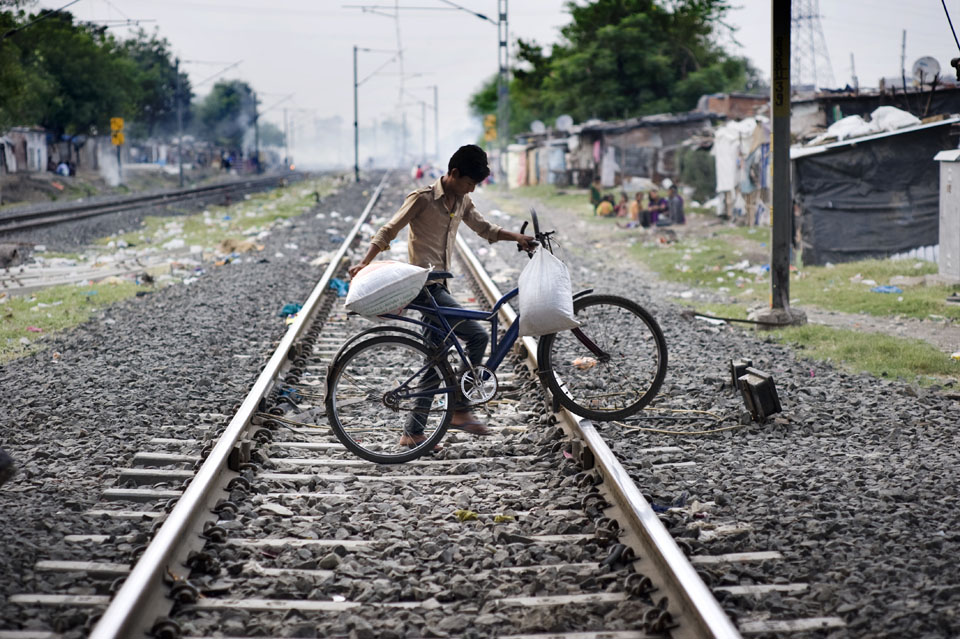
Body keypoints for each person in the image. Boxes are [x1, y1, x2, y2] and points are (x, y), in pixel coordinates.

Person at [349, 144, 535, 448]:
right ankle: (460, 408)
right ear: (454, 173)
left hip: (439, 288)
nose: (471, 189)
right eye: (469, 182)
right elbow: (389, 229)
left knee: (437, 358)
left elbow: (484, 228)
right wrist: (364, 263)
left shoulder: (461, 201)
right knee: (477, 337)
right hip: (423, 286)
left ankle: (412, 433)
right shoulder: (422, 199)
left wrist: (517, 237)